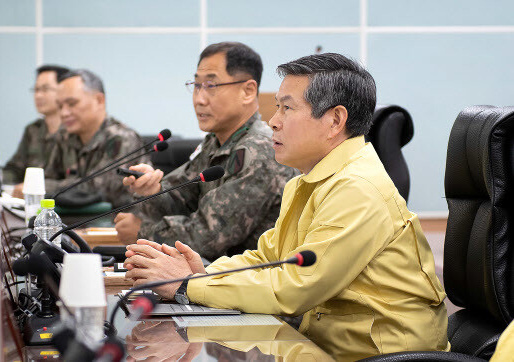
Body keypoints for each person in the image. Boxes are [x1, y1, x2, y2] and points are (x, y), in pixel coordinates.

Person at [122, 53, 450, 361]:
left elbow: (296, 287)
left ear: (335, 120)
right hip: (321, 344)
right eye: (277, 107)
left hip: (381, 354)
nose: (274, 121)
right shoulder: (305, 182)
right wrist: (204, 273)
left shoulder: (357, 187)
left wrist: (186, 284)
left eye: (287, 109)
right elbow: (267, 259)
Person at [115, 42, 297, 260]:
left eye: (211, 85)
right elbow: (183, 198)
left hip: (251, 284)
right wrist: (151, 190)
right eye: (196, 85)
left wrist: (142, 232)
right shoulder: (216, 142)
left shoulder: (259, 150)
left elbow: (207, 238)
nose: (199, 99)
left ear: (248, 91)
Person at [43, 69, 149, 208]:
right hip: (71, 219)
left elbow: (96, 189)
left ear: (99, 100)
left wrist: (44, 187)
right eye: (60, 106)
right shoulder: (64, 136)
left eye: (72, 103)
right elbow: (47, 177)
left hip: (115, 223)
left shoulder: (121, 138)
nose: (64, 113)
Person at [0, 65, 69, 194]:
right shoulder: (33, 130)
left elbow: (77, 182)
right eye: (36, 89)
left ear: (64, 91)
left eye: (45, 89)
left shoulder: (74, 131)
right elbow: (15, 170)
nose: (38, 95)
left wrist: (36, 187)